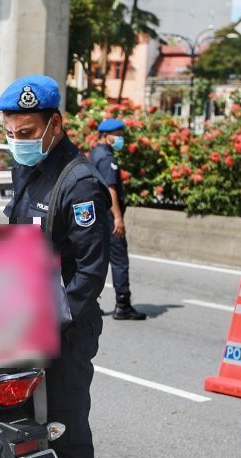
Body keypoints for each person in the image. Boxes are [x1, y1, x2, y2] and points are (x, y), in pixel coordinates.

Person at [0, 75, 110, 458]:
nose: (18, 139)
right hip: (25, 322)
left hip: (64, 328)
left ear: (55, 125)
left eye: (27, 130)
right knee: (24, 431)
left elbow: (89, 270)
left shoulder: (78, 182)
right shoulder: (33, 170)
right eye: (11, 132)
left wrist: (53, 318)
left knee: (62, 429)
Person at [90, 118, 147, 321]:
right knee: (119, 261)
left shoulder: (96, 153)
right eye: (118, 135)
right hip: (108, 217)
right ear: (106, 136)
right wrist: (118, 218)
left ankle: (90, 303)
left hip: (97, 216)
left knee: (97, 261)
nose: (121, 139)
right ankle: (123, 304)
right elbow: (110, 189)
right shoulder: (106, 158)